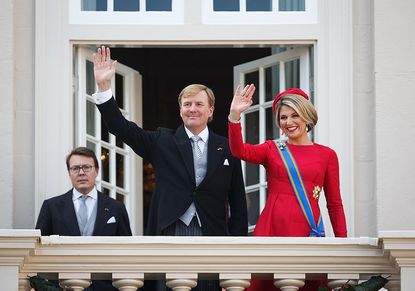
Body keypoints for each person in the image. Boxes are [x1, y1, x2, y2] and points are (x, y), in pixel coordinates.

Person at [92, 46, 248, 291]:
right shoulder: (162, 141)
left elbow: (237, 201)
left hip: (213, 235)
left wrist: (237, 254)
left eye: (198, 104)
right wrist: (104, 88)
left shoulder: (227, 147)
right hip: (170, 232)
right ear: (180, 110)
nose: (192, 109)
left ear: (211, 111)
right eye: (187, 104)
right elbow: (120, 127)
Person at [228, 85, 347, 291]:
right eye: (283, 118)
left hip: (308, 231)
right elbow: (239, 151)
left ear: (307, 117)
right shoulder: (272, 149)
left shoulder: (327, 155)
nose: (288, 122)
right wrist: (234, 116)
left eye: (295, 115)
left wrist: (343, 245)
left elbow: (334, 204)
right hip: (272, 229)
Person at [35, 146, 132, 291]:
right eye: (75, 168)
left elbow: (127, 251)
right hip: (62, 287)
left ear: (97, 171)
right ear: (69, 173)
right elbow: (38, 250)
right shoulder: (51, 206)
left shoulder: (116, 208)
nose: (81, 172)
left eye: (86, 167)